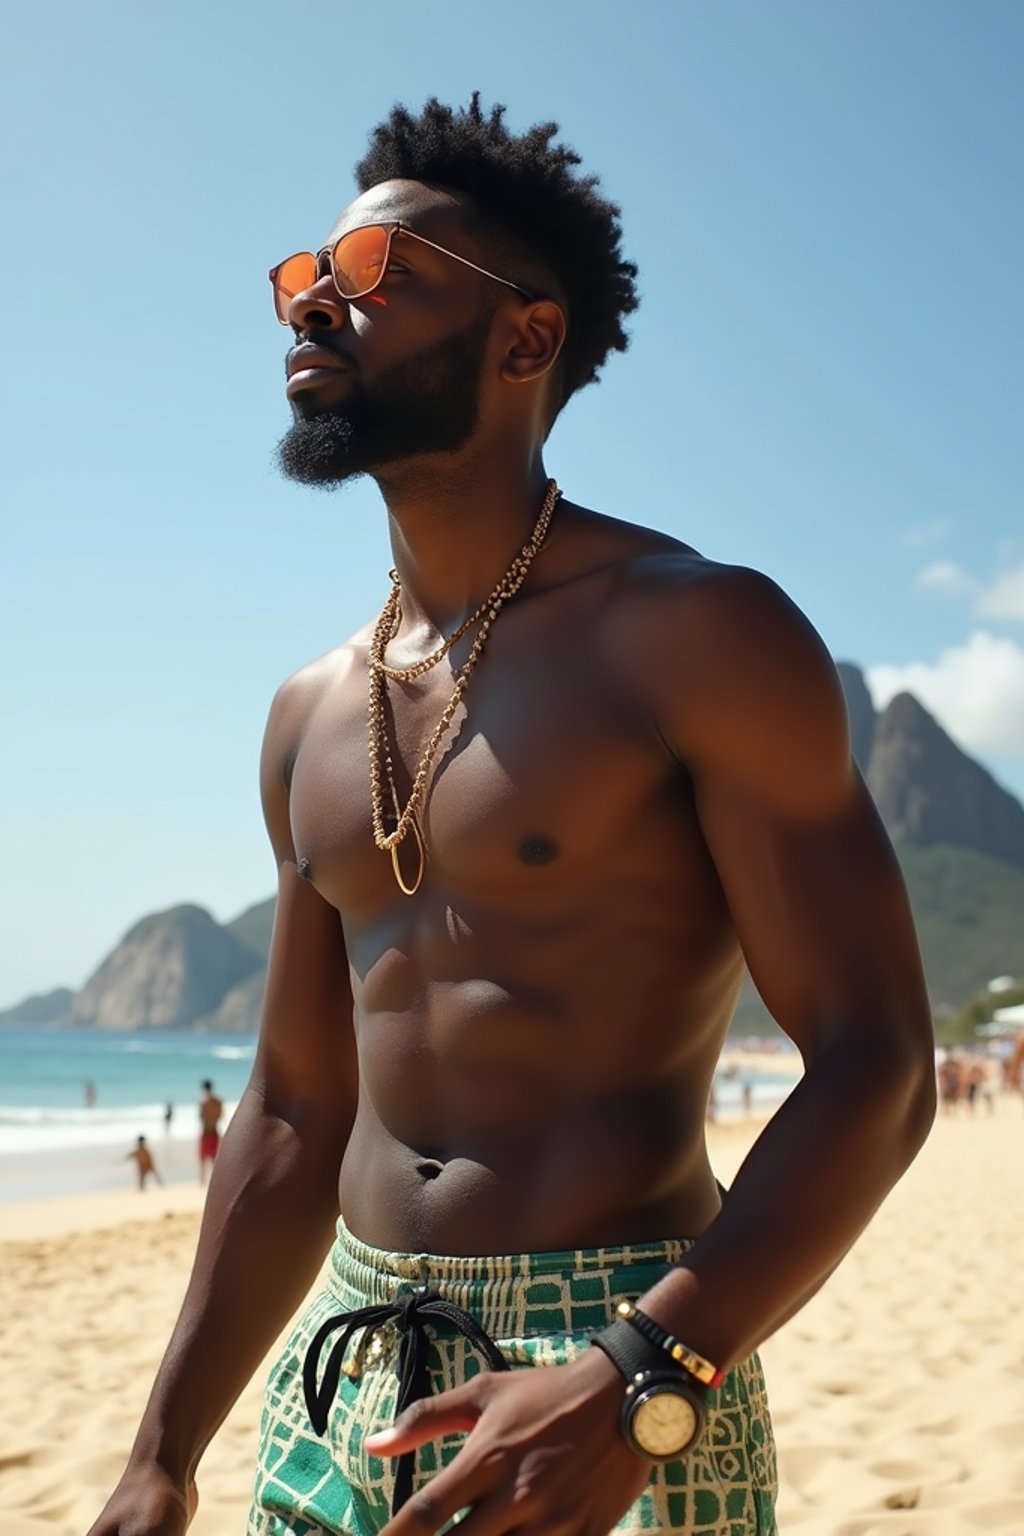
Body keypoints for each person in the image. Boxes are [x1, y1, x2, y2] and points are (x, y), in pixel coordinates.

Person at [89, 95, 936, 1536]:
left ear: (524, 340)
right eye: (307, 277)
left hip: (619, 1343)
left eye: (376, 276)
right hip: (342, 1368)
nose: (317, 306)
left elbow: (878, 1065)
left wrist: (644, 1371)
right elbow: (298, 1108)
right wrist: (161, 1453)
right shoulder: (309, 710)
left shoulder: (691, 633)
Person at [198, 1080, 223, 1186]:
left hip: (205, 1132)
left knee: (202, 1158)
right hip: (215, 1130)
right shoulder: (218, 1102)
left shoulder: (203, 1102)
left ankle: (202, 1180)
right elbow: (220, 1116)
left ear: (204, 1088)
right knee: (214, 1158)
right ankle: (214, 1181)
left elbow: (201, 1117)